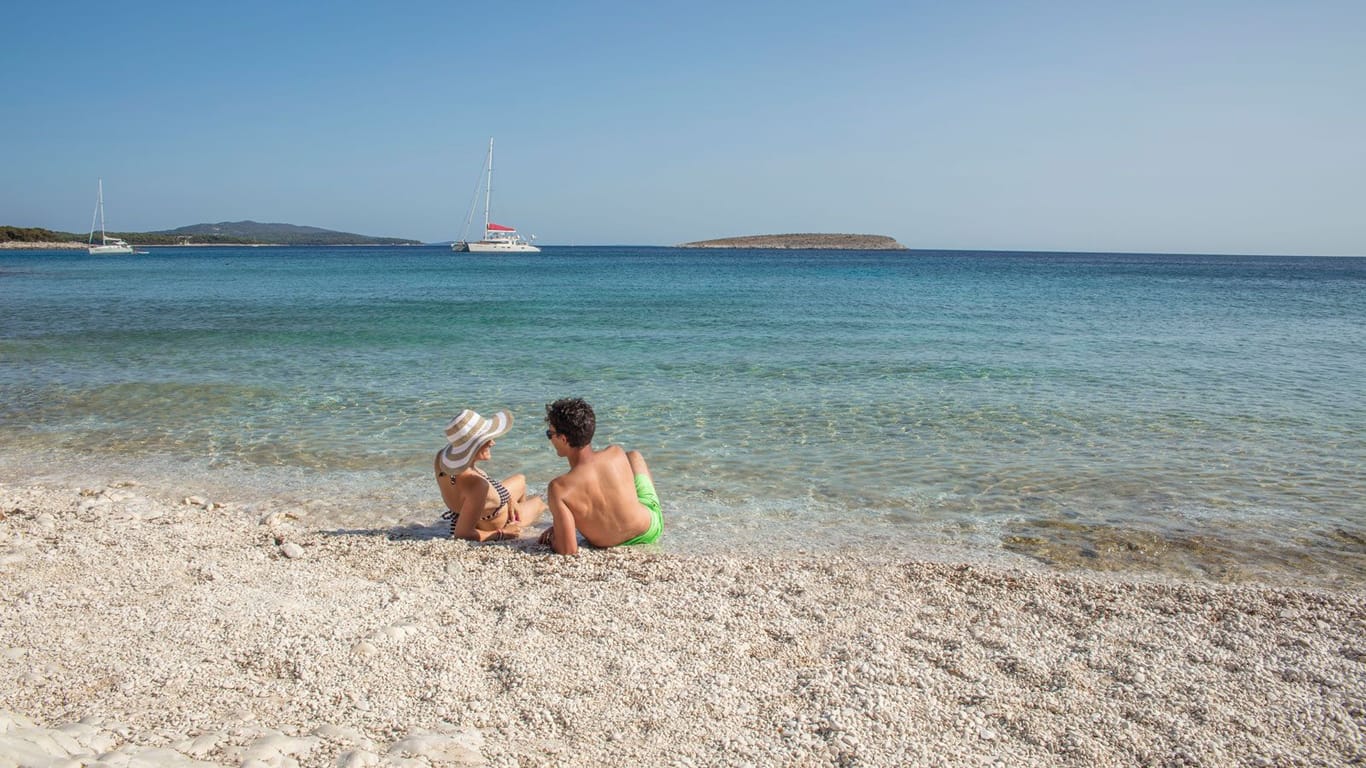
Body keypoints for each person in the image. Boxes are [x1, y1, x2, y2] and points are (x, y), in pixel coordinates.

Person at [538, 397, 663, 555]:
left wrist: (556, 535)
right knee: (634, 456)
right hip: (649, 531)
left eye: (550, 434)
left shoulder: (559, 489)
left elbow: (568, 550)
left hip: (606, 543)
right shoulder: (615, 453)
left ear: (563, 439)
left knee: (631, 457)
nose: (550, 439)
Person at [435, 408, 547, 542]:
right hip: (494, 522)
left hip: (473, 509)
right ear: (471, 447)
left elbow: (463, 490)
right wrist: (503, 533)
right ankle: (517, 524)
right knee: (540, 503)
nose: (493, 443)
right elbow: (462, 534)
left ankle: (516, 510)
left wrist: (509, 499)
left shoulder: (441, 459)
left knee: (521, 479)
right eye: (486, 439)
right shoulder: (477, 485)